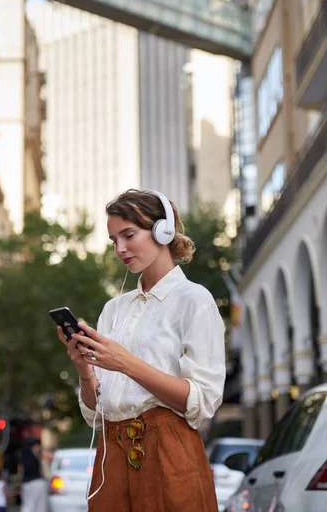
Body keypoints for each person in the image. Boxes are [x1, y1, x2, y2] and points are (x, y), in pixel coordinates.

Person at [57, 189, 226, 511]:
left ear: (163, 230)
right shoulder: (113, 309)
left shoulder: (195, 300)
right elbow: (96, 413)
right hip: (111, 454)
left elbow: (201, 401)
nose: (120, 249)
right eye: (113, 240)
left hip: (168, 450)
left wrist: (126, 363)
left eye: (129, 235)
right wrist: (83, 368)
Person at [20, 438, 49, 512]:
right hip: (37, 482)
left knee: (28, 506)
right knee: (38, 506)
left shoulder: (25, 455)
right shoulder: (36, 455)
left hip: (27, 483)